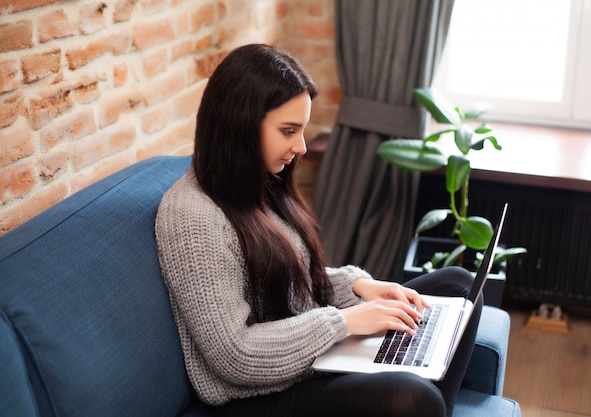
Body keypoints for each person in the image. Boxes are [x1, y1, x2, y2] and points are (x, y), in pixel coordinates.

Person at [155, 43, 483, 417]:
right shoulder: (192, 216)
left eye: (303, 129)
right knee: (410, 398)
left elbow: (283, 278)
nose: (301, 146)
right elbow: (234, 354)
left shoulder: (258, 180)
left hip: (308, 359)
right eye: (288, 130)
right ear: (240, 125)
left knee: (460, 286)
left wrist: (357, 286)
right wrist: (344, 322)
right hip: (256, 396)